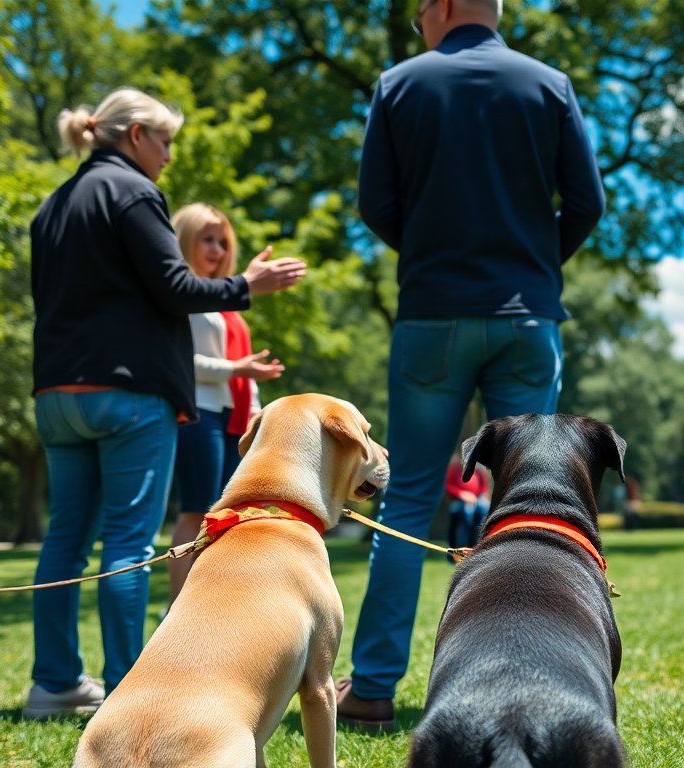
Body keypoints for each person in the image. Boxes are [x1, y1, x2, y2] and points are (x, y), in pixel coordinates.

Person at [337, 0, 605, 729]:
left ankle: (371, 688)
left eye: (421, 7)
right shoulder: (548, 84)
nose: (419, 18)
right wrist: (535, 266)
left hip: (430, 317)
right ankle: (534, 669)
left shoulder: (399, 84)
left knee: (407, 498)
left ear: (446, 5)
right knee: (533, 500)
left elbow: (375, 203)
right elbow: (587, 202)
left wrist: (427, 253)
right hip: (526, 318)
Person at [25, 87, 306, 719]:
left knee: (64, 540)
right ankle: (128, 687)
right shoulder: (132, 192)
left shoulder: (53, 206)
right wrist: (247, 284)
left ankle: (54, 684)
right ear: (133, 137)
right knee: (128, 541)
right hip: (128, 394)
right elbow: (175, 285)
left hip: (56, 394)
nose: (169, 157)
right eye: (165, 141)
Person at [166, 204, 285, 605]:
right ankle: (179, 608)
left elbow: (240, 370)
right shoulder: (182, 294)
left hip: (234, 420)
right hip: (199, 414)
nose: (217, 249)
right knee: (196, 512)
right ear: (183, 240)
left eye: (222, 241)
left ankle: (215, 604)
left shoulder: (225, 299)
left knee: (232, 517)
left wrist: (256, 412)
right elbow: (183, 363)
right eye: (207, 239)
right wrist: (238, 369)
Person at [443, 452, 490, 557]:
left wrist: (481, 496)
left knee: (484, 509)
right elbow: (448, 486)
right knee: (467, 512)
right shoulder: (454, 468)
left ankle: (475, 547)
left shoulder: (477, 469)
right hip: (458, 501)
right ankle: (460, 550)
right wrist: (462, 494)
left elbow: (483, 487)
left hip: (475, 500)